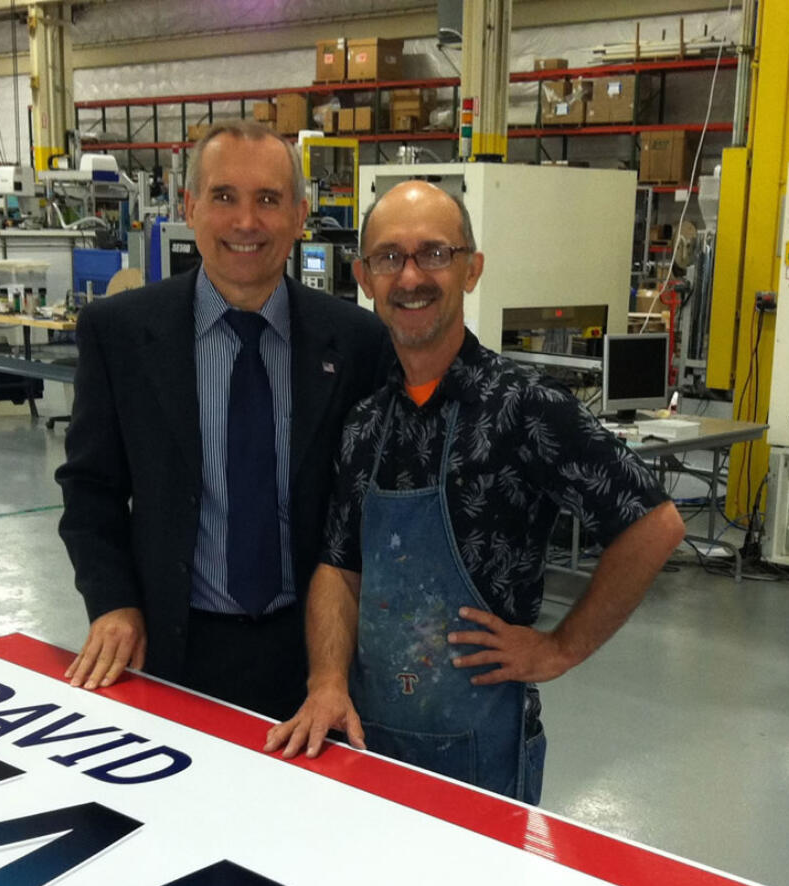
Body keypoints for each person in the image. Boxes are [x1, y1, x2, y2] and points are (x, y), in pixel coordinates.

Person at [264, 180, 686, 803]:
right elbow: (339, 567)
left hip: (481, 756)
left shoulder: (525, 409)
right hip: (364, 741)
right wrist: (327, 680)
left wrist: (560, 648)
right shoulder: (364, 423)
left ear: (472, 269)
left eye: (434, 253)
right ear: (364, 276)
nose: (411, 277)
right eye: (390, 257)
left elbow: (654, 524)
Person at [56, 121, 390, 719]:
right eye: (223, 197)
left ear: (298, 215)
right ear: (190, 207)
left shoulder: (358, 342)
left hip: (318, 662)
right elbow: (91, 490)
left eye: (268, 199)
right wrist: (112, 602)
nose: (246, 222)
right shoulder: (122, 334)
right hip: (171, 648)